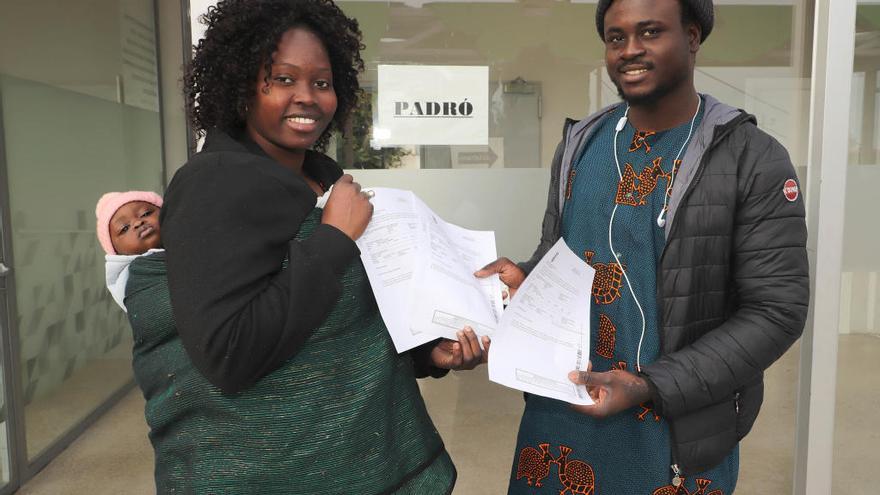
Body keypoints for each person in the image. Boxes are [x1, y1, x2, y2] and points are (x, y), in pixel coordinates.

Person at [125, 0, 485, 492]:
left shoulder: (326, 179)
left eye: (321, 82)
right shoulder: (210, 186)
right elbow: (228, 354)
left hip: (366, 459)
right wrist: (334, 238)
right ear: (241, 85)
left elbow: (350, 317)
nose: (307, 97)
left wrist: (429, 353)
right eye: (283, 79)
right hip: (271, 474)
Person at [476, 0, 809, 493]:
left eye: (650, 32)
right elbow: (560, 255)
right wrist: (525, 279)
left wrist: (651, 385)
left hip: (674, 433)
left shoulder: (751, 158)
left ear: (693, 36)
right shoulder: (580, 145)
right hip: (560, 416)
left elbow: (777, 311)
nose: (630, 50)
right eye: (616, 38)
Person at [94, 190, 163, 311]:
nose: (138, 222)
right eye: (124, 228)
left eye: (145, 213)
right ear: (116, 252)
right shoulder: (134, 282)